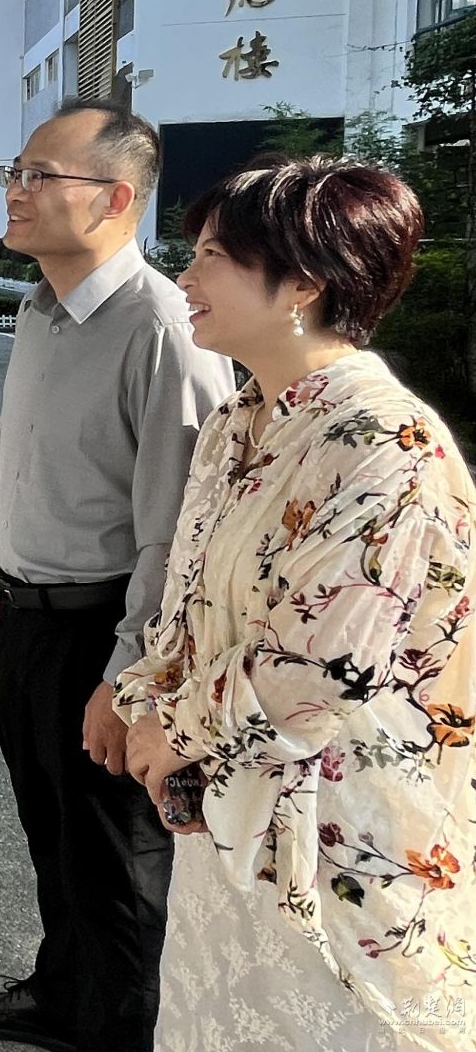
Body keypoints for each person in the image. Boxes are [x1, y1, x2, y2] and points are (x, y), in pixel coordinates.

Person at [115, 157, 476, 1052]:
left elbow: (324, 669)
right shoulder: (240, 419)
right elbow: (188, 602)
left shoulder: (386, 442)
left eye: (211, 257)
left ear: (305, 284)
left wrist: (171, 730)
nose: (185, 280)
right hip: (229, 815)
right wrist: (148, 705)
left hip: (343, 840)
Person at [0, 107, 234, 1052]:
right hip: (27, 616)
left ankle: (119, 1030)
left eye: (40, 175)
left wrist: (128, 675)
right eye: (15, 171)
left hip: (105, 633)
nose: (15, 191)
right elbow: (24, 465)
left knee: (117, 864)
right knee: (52, 834)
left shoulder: (164, 329)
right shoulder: (39, 310)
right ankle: (61, 995)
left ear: (116, 199)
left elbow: (177, 532)